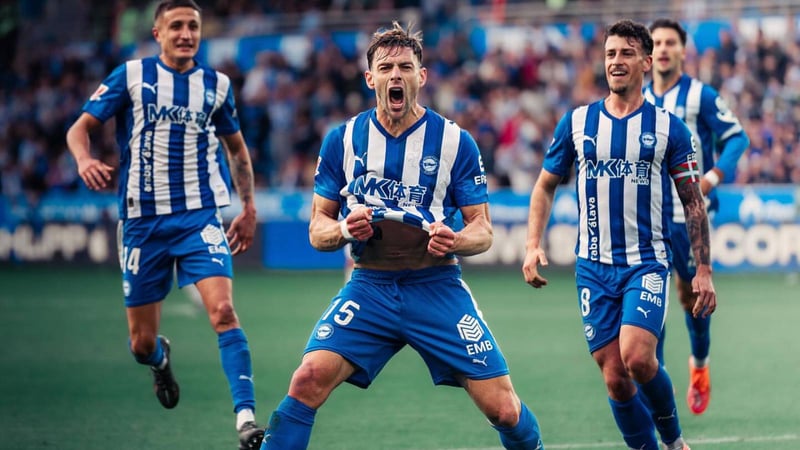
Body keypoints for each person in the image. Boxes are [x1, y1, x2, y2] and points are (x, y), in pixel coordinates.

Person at [259, 22, 545, 450]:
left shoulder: (455, 142)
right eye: (386, 67)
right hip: (370, 287)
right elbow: (318, 230)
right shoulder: (343, 140)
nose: (396, 75)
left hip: (436, 286)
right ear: (369, 78)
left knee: (503, 409)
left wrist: (455, 240)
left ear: (421, 76)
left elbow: (482, 230)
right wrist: (343, 229)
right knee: (307, 379)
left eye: (406, 67)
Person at [65, 1, 264, 448]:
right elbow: (79, 128)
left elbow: (236, 149)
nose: (186, 33)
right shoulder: (131, 76)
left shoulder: (217, 85)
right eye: (176, 26)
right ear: (158, 33)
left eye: (193, 26)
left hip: (199, 216)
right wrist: (83, 160)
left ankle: (246, 420)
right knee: (141, 343)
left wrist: (248, 207)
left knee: (223, 312)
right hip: (143, 223)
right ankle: (159, 360)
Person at [522, 20, 716, 450]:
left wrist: (702, 269)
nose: (616, 61)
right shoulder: (578, 122)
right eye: (610, 54)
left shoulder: (669, 129)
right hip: (593, 268)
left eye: (626, 53)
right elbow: (545, 186)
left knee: (638, 358)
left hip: (646, 263)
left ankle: (674, 442)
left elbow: (692, 202)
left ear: (646, 62)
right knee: (615, 377)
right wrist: (532, 245)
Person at [644, 18, 750, 415]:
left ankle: (700, 365)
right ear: (648, 53)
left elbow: (737, 137)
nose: (663, 49)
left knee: (691, 296)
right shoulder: (637, 98)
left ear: (682, 51)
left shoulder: (700, 96)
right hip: (648, 218)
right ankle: (656, 381)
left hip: (689, 215)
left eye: (670, 42)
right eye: (657, 43)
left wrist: (712, 177)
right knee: (651, 296)